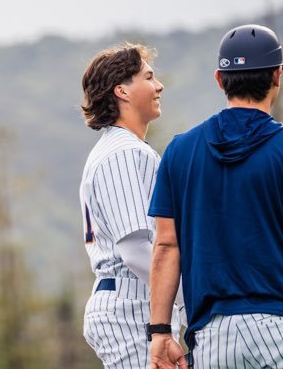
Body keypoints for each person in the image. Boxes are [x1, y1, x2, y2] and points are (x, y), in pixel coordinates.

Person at [147, 24, 283, 369]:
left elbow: (166, 247)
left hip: (216, 337)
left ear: (220, 80)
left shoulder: (179, 152)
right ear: (277, 76)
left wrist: (160, 331)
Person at [79, 43, 182, 368]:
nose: (158, 85)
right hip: (131, 303)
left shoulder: (121, 148)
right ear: (121, 90)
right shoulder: (123, 152)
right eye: (148, 77)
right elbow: (135, 247)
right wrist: (188, 297)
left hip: (132, 300)